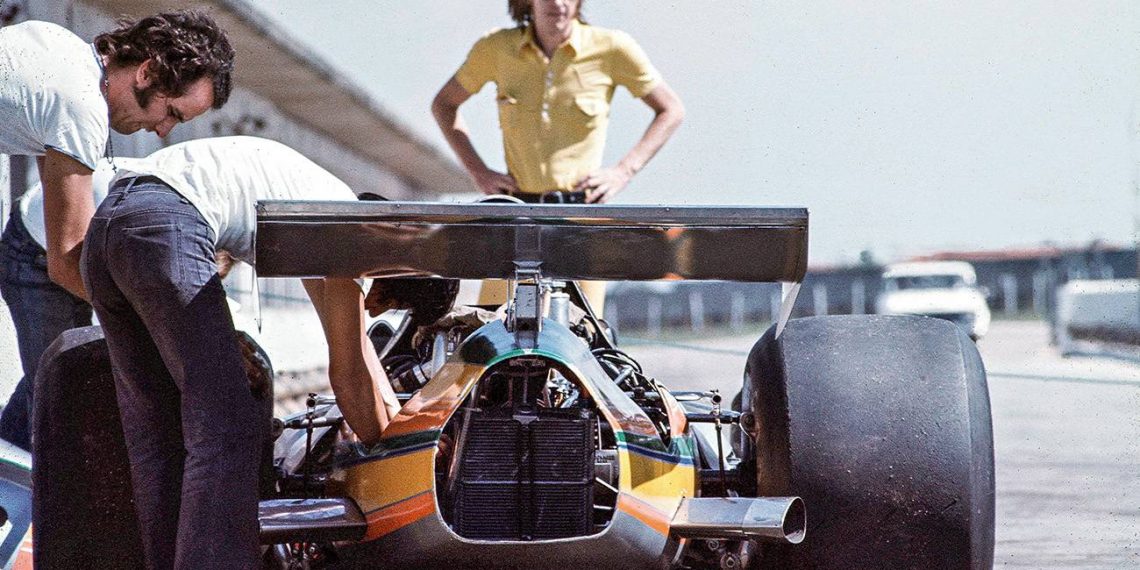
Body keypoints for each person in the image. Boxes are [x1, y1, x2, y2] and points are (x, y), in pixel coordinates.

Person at [80, 136, 399, 569]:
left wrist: (392, 417)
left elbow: (355, 354)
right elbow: (349, 376)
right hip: (168, 219)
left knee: (162, 435)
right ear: (386, 272)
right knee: (229, 426)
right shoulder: (355, 234)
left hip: (108, 227)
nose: (368, 308)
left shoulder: (321, 208)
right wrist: (394, 454)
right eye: (380, 303)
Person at [0, 10, 234, 449]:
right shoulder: (81, 106)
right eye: (171, 113)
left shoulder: (62, 49)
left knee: (53, 393)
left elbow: (61, 218)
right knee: (64, 406)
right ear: (147, 72)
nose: (163, 131)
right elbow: (66, 261)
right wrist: (162, 323)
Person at [432, 0, 684, 309]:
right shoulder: (496, 48)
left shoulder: (612, 47)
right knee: (489, 325)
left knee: (588, 331)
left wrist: (624, 171)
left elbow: (671, 109)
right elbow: (444, 104)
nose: (558, 3)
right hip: (515, 217)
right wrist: (478, 171)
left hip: (581, 218)